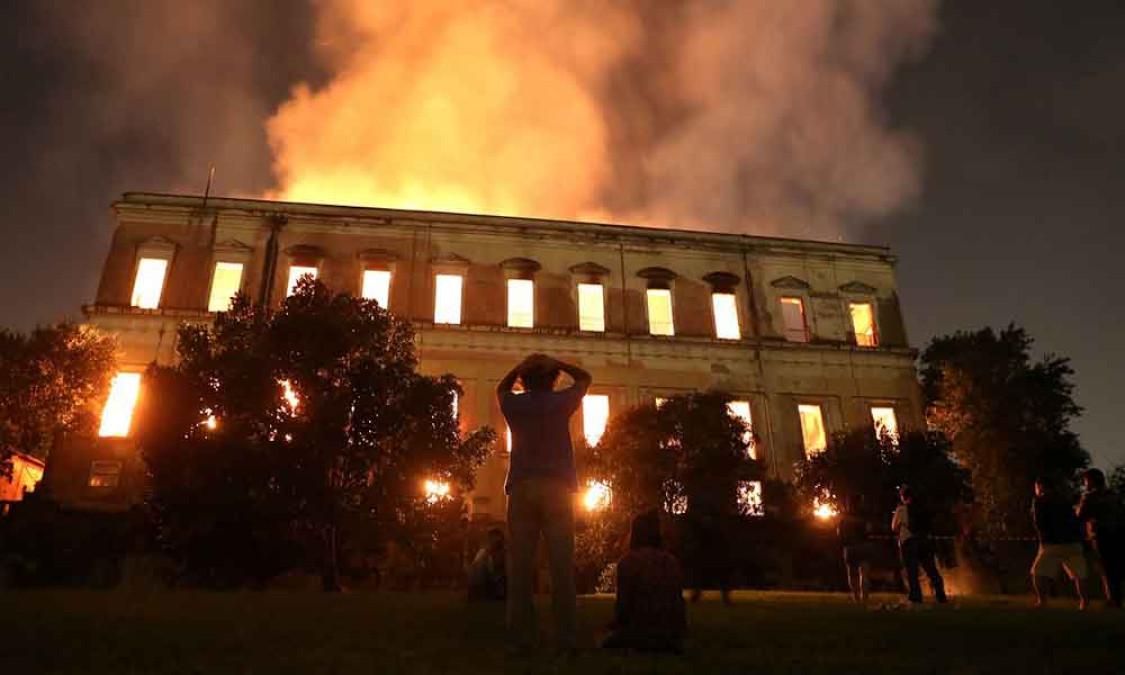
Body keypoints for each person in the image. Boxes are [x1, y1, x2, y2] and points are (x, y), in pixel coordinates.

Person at [498, 353, 591, 654]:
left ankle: (521, 634)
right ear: (552, 380)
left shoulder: (515, 405)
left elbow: (501, 389)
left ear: (525, 380)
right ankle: (565, 634)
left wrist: (520, 366)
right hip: (558, 487)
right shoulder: (560, 402)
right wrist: (558, 362)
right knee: (561, 564)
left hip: (523, 486)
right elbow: (585, 378)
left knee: (521, 566)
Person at [603, 510, 687, 652]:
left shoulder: (627, 562)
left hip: (639, 632)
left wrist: (616, 625)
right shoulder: (670, 561)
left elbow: (623, 606)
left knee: (607, 640)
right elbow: (678, 602)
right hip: (669, 635)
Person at [1031, 476, 1089, 610]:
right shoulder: (1065, 499)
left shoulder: (1040, 500)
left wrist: (1043, 541)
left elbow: (1039, 522)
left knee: (1038, 572)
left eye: (1036, 487)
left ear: (1040, 486)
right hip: (1073, 543)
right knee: (1080, 574)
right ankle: (1084, 603)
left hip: (1053, 543)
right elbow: (1075, 518)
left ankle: (1042, 601)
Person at [891, 486, 947, 604]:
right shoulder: (922, 508)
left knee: (912, 571)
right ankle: (941, 595)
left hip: (909, 542)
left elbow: (894, 527)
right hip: (924, 541)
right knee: (931, 570)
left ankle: (916, 596)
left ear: (903, 497)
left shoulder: (901, 509)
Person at [1076, 468, 1121, 608]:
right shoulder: (1113, 495)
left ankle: (1112, 599)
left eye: (1086, 480)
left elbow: (1081, 515)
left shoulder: (1091, 497)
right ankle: (1115, 598)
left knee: (1106, 568)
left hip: (1100, 535)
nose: (1085, 484)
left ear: (1091, 480)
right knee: (1114, 568)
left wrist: (1077, 507)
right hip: (1117, 533)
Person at [838, 496, 874, 603]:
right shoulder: (864, 517)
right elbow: (869, 530)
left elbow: (840, 533)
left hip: (850, 548)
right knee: (865, 574)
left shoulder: (844, 518)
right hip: (863, 546)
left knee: (852, 575)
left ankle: (856, 598)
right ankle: (865, 598)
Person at [468, 527, 507, 602]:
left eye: (496, 537)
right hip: (488, 582)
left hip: (495, 582)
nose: (494, 540)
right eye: (492, 537)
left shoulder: (503, 552)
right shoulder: (484, 552)